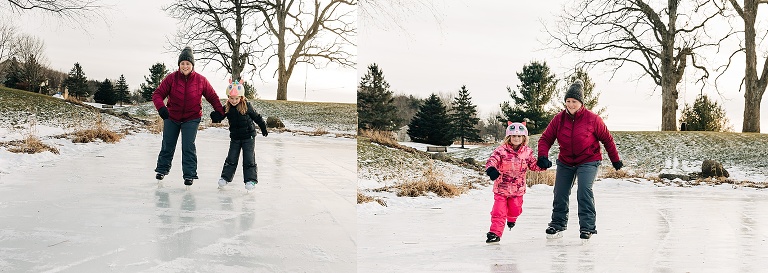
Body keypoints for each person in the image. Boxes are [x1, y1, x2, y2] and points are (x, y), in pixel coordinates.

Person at [536, 79, 622, 240]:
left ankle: (587, 227)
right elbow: (545, 139)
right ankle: (557, 224)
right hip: (566, 161)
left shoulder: (593, 119)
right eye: (568, 101)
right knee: (560, 192)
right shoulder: (559, 119)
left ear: (581, 102)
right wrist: (542, 156)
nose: (570, 104)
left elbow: (607, 139)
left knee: (584, 190)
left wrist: (615, 160)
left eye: (574, 101)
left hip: (589, 160)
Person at [153, 46, 226, 186]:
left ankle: (189, 175)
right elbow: (157, 94)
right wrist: (161, 107)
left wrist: (220, 113)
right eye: (182, 63)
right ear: (179, 65)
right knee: (168, 144)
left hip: (191, 118)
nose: (185, 66)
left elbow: (212, 96)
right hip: (171, 116)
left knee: (188, 146)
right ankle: (162, 170)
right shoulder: (171, 78)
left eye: (188, 63)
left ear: (192, 65)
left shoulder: (201, 80)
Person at [484, 121, 544, 244]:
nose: (516, 138)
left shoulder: (527, 152)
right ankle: (495, 233)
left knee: (515, 209)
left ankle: (512, 218)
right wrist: (491, 169)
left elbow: (533, 165)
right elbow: (492, 160)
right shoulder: (501, 150)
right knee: (498, 211)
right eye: (513, 136)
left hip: (518, 189)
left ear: (524, 138)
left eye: (519, 136)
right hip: (501, 188)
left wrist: (542, 164)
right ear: (509, 137)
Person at [210, 78, 268, 191]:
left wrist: (263, 127)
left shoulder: (247, 106)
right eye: (231, 98)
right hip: (235, 138)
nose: (234, 100)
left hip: (248, 137)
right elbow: (220, 117)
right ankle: (225, 178)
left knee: (249, 159)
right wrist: (215, 117)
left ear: (241, 97)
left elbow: (257, 117)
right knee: (231, 158)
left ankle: (250, 180)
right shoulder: (227, 107)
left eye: (236, 98)